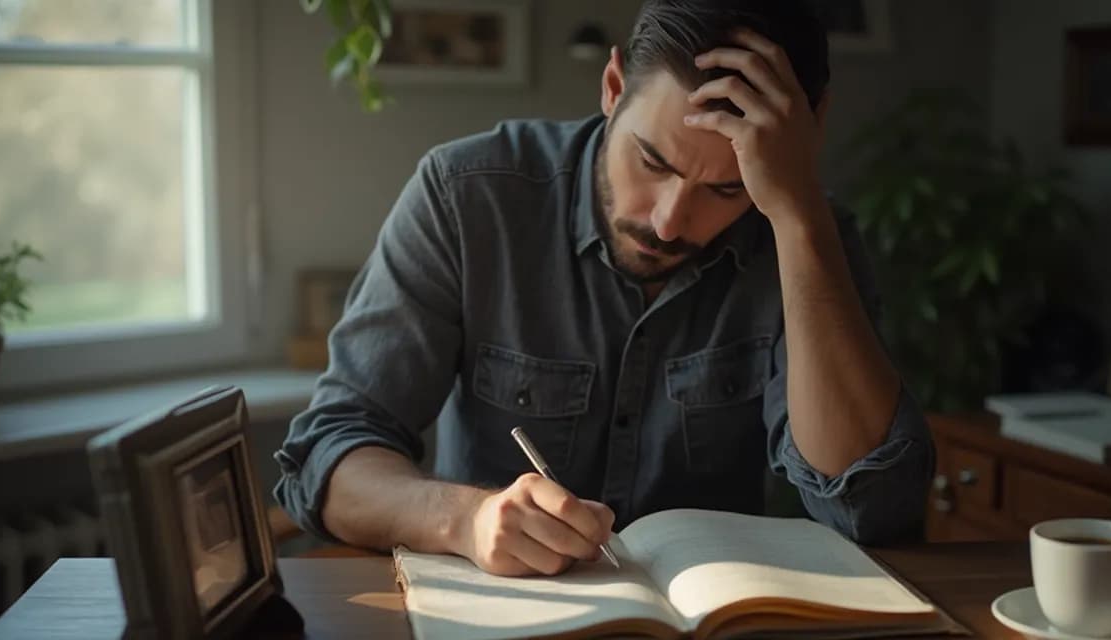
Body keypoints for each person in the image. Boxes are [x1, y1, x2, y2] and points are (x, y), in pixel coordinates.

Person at [273, 0, 934, 577]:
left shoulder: (806, 233)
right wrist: (465, 520)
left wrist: (795, 215)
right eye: (653, 160)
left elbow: (870, 507)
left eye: (729, 188)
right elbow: (327, 456)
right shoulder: (468, 198)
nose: (670, 220)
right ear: (613, 86)